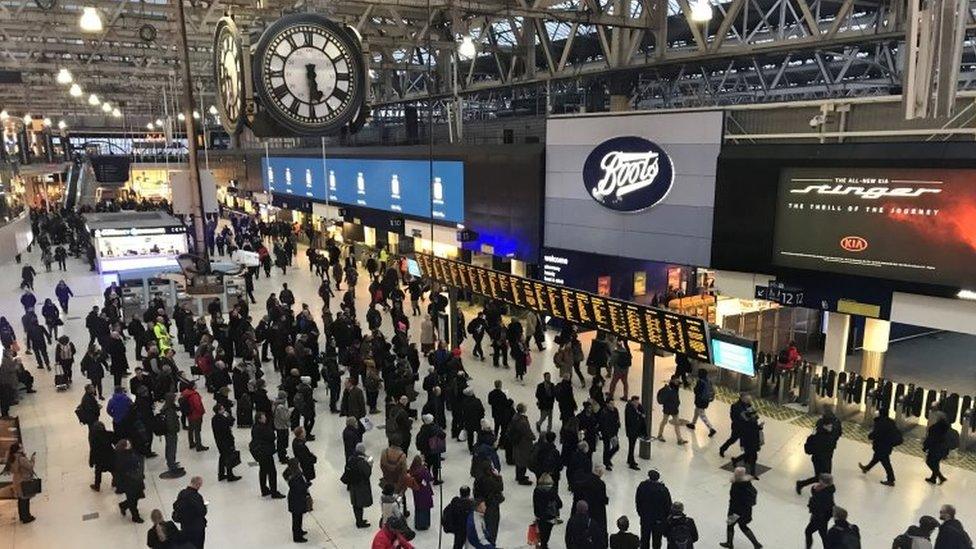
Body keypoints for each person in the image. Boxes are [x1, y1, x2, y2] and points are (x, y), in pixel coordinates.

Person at [720, 467, 762, 549]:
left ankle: (729, 543)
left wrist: (732, 513)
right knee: (743, 526)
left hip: (735, 510)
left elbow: (734, 499)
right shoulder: (747, 483)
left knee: (730, 525)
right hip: (746, 510)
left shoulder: (737, 485)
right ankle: (756, 544)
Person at [859, 411, 902, 486]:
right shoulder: (890, 422)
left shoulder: (880, 423)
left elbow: (877, 433)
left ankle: (891, 479)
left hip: (881, 446)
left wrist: (870, 436)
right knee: (876, 458)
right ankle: (866, 468)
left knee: (885, 462)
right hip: (887, 445)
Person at [249, 412, 284, 498]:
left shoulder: (254, 427)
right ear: (259, 419)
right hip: (266, 452)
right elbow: (272, 436)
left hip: (259, 452)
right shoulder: (263, 428)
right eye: (264, 417)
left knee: (263, 471)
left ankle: (264, 489)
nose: (265, 418)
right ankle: (274, 492)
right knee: (272, 472)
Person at [796, 422, 837, 494]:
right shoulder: (817, 435)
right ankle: (801, 484)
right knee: (820, 477)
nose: (830, 428)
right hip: (818, 459)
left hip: (827, 458)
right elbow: (809, 449)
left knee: (824, 476)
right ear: (824, 426)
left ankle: (802, 484)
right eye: (828, 426)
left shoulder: (831, 433)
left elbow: (833, 445)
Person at [636, 470, 672, 549]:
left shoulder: (642, 486)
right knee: (657, 541)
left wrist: (641, 513)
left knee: (644, 539)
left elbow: (638, 501)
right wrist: (664, 518)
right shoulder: (663, 490)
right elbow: (668, 506)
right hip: (658, 520)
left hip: (645, 518)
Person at [341, 442, 373, 528]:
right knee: (359, 504)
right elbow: (367, 473)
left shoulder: (351, 458)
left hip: (353, 484)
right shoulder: (361, 461)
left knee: (355, 503)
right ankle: (360, 522)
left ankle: (359, 520)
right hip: (360, 485)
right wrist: (369, 465)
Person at [4, 442, 37, 523]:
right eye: (21, 447)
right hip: (24, 480)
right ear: (18, 449)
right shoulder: (21, 458)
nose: (22, 448)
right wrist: (32, 459)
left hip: (16, 480)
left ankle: (22, 516)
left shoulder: (11, 458)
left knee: (21, 500)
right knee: (25, 500)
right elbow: (30, 466)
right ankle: (27, 517)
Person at [116, 439, 147, 523]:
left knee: (135, 497)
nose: (130, 444)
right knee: (132, 499)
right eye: (128, 444)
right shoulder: (123, 458)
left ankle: (123, 505)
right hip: (129, 482)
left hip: (135, 479)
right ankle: (135, 517)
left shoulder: (130, 452)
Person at [172, 476, 207, 549]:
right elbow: (202, 512)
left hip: (185, 527)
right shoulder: (197, 496)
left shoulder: (182, 493)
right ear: (197, 484)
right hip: (197, 528)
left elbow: (176, 506)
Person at [804, 474, 835, 549]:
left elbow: (815, 503)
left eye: (821, 481)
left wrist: (815, 491)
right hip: (822, 517)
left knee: (809, 532)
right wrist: (814, 489)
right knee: (823, 535)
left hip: (819, 518)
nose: (819, 482)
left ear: (825, 483)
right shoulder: (829, 490)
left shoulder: (824, 495)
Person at [211, 402, 240, 482]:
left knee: (222, 457)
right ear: (219, 410)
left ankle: (221, 474)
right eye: (223, 408)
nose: (224, 409)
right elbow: (230, 424)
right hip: (226, 441)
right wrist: (228, 416)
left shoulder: (214, 419)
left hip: (219, 441)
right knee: (229, 457)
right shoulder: (222, 419)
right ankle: (230, 475)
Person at [923, 413, 955, 485]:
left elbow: (931, 439)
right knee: (936, 463)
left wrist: (925, 447)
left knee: (929, 462)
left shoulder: (934, 428)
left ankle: (941, 477)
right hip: (944, 448)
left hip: (935, 448)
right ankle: (933, 478)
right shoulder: (947, 428)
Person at [533, 473, 562, 549]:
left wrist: (536, 514)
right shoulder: (552, 490)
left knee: (541, 532)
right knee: (547, 532)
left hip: (540, 516)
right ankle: (544, 544)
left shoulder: (536, 490)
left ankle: (542, 544)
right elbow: (559, 503)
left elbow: (535, 503)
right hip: (550, 516)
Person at [285, 458, 311, 543]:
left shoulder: (289, 474)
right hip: (297, 500)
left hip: (295, 499)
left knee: (298, 517)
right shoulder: (295, 477)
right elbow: (299, 488)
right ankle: (297, 536)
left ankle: (299, 531)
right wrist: (307, 485)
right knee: (296, 519)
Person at [655, 376, 687, 445]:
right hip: (668, 408)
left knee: (677, 424)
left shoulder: (675, 387)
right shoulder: (668, 389)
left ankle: (679, 439)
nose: (677, 382)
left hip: (674, 408)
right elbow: (664, 399)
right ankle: (659, 435)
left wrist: (677, 403)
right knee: (664, 421)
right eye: (676, 381)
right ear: (672, 380)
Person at [509, 402, 536, 485]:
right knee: (523, 460)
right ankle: (521, 478)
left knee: (518, 459)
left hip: (517, 441)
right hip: (523, 443)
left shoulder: (515, 417)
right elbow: (527, 431)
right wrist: (533, 437)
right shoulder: (522, 421)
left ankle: (518, 475)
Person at [686, 369, 717, 437]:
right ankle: (692, 424)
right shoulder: (708, 381)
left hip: (700, 401)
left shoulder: (700, 382)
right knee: (696, 411)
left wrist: (694, 387)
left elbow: (696, 391)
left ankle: (711, 429)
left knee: (702, 415)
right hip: (705, 400)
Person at [408, 455, 434, 530]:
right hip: (424, 491)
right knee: (425, 508)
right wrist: (426, 468)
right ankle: (424, 524)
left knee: (418, 507)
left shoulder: (412, 469)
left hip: (416, 490)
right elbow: (429, 478)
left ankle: (418, 523)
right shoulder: (422, 471)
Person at [180, 382, 208, 452]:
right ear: (192, 387)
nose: (196, 385)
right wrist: (202, 412)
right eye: (195, 385)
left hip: (189, 414)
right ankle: (199, 446)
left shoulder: (185, 393)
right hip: (196, 414)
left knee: (191, 429)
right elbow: (197, 405)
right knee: (197, 430)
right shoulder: (194, 395)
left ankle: (191, 443)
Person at [625, 396, 647, 470]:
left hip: (636, 430)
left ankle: (629, 459)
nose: (637, 403)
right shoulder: (629, 408)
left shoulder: (638, 406)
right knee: (631, 446)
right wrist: (639, 414)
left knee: (632, 446)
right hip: (631, 431)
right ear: (632, 401)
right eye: (636, 402)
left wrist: (640, 413)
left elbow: (643, 413)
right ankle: (631, 462)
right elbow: (631, 419)